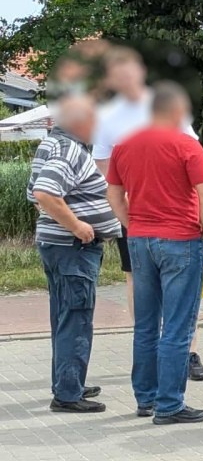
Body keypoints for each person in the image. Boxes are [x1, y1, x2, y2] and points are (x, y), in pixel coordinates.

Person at [94, 46, 203, 382]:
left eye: (130, 70)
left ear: (141, 71)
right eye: (118, 73)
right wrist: (132, 220)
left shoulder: (166, 104)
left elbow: (195, 162)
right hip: (140, 218)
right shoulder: (107, 118)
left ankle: (183, 356)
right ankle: (163, 384)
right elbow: (109, 178)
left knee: (179, 297)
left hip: (168, 216)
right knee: (147, 291)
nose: (126, 78)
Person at [106, 82, 203, 425]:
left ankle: (146, 399)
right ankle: (170, 405)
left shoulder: (123, 146)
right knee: (177, 326)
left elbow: (113, 195)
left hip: (139, 240)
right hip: (181, 241)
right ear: (176, 112)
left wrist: (133, 224)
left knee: (145, 325)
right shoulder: (186, 144)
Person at [27, 95, 123, 414]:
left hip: (56, 246)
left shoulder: (50, 145)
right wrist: (77, 225)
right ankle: (68, 393)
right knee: (76, 318)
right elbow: (44, 193)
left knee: (64, 315)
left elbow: (34, 194)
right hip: (73, 248)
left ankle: (69, 381)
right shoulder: (68, 149)